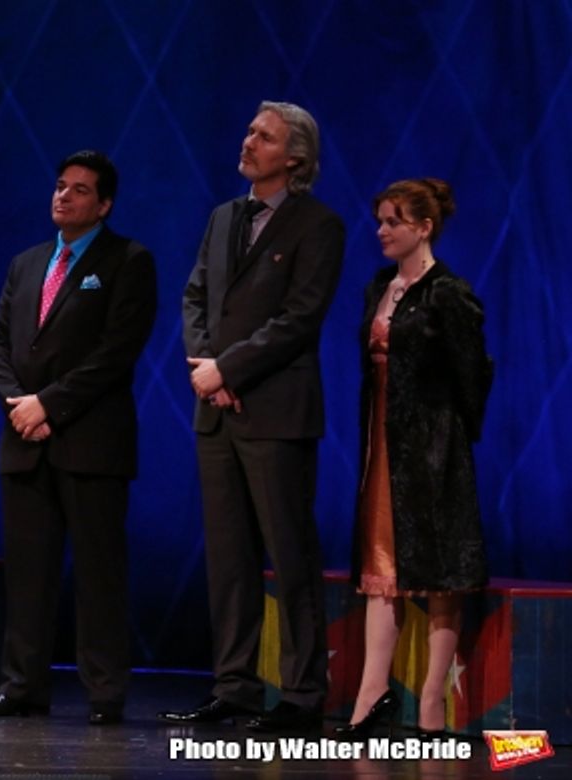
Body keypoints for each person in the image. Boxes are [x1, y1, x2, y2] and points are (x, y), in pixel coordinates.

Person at [160, 102, 345, 732]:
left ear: (293, 157)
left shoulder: (318, 225)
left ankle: (300, 694)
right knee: (229, 558)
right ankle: (235, 685)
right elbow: (194, 294)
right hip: (216, 411)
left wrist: (230, 370)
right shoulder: (222, 218)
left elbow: (299, 318)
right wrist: (206, 367)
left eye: (262, 137)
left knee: (290, 554)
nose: (248, 141)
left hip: (276, 413)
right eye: (248, 131)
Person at [0, 150, 157, 725]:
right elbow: (0, 345)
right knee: (28, 575)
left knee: (99, 573)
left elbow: (115, 353)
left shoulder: (128, 260)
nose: (64, 196)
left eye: (79, 190)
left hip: (91, 442)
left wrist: (48, 404)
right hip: (25, 440)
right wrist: (20, 408)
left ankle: (104, 692)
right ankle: (22, 686)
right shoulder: (26, 264)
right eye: (59, 186)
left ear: (103, 204)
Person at [335, 178, 492, 739]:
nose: (381, 231)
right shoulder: (381, 284)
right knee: (383, 572)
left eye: (393, 221)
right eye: (379, 220)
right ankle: (370, 699)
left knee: (438, 575)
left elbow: (473, 374)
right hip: (383, 445)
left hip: (433, 451)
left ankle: (430, 703)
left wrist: (448, 439)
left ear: (423, 228)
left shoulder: (448, 293)